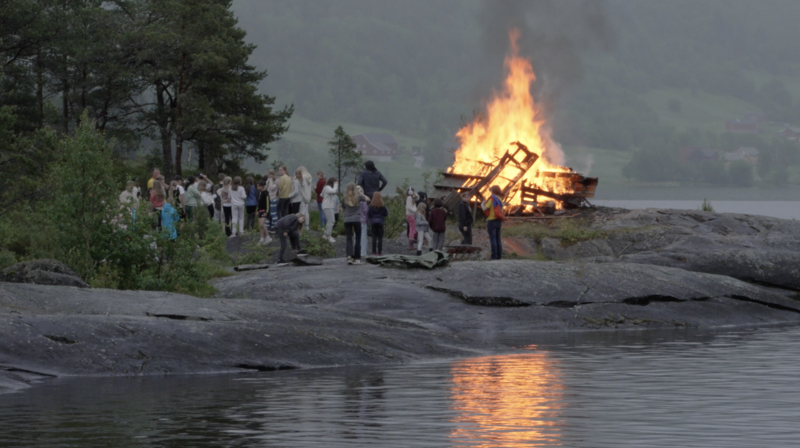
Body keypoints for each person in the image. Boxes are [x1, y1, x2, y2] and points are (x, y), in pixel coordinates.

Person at [342, 182, 368, 265]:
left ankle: (349, 255)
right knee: (358, 239)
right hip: (357, 219)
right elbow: (368, 199)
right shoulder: (359, 197)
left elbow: (343, 208)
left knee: (349, 238)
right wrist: (361, 193)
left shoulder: (344, 198)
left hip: (347, 220)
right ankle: (357, 257)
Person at [482, 185, 505, 260]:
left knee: (493, 239)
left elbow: (485, 208)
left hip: (492, 221)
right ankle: (499, 255)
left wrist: (482, 204)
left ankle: (493, 256)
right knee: (498, 238)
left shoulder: (491, 199)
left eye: (490, 190)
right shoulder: (500, 199)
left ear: (492, 191)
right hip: (499, 221)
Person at [368, 192, 388, 256]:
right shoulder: (383, 205)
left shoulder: (371, 205)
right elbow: (386, 213)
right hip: (380, 222)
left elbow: (369, 214)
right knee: (380, 238)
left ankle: (374, 252)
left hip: (373, 222)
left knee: (373, 238)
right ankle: (379, 252)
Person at [321, 177, 338, 243]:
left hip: (328, 206)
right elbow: (334, 191)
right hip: (328, 206)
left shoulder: (327, 188)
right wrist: (336, 185)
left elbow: (322, 194)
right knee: (331, 221)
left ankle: (326, 235)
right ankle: (328, 235)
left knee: (330, 221)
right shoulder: (327, 187)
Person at [256, 180, 272, 245]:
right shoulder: (260, 193)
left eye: (258, 186)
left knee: (262, 224)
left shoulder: (266, 193)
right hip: (260, 211)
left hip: (264, 211)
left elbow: (268, 203)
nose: (257, 188)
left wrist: (267, 211)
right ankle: (261, 238)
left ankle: (268, 237)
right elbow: (260, 203)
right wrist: (258, 210)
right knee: (260, 226)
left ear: (262, 186)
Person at [298, 166, 313, 230]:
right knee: (306, 211)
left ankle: (302, 225)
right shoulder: (309, 177)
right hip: (308, 196)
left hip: (303, 196)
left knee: (302, 211)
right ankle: (307, 225)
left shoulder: (303, 177)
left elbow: (302, 187)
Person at [357, 186, 370, 258]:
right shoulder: (363, 201)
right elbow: (366, 211)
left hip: (355, 220)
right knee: (363, 238)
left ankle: (356, 252)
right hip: (363, 221)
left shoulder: (353, 200)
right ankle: (363, 252)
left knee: (356, 237)